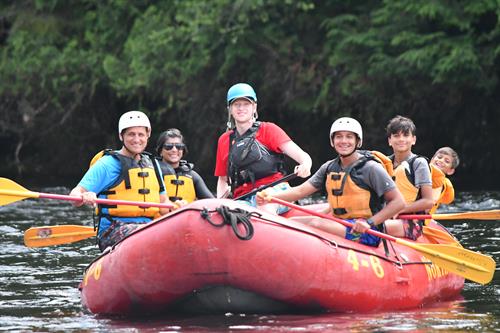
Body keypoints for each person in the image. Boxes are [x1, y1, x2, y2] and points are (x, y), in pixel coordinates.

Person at [258, 117, 405, 247]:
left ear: (357, 141)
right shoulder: (329, 167)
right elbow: (300, 191)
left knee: (315, 223)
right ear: (332, 141)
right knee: (292, 222)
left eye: (349, 137)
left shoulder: (371, 168)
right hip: (341, 223)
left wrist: (369, 222)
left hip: (368, 231)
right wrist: (270, 198)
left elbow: (399, 202)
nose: (344, 141)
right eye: (339, 137)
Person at [70, 111, 175, 251]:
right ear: (121, 136)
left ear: (147, 136)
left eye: (141, 134)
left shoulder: (154, 165)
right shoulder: (107, 164)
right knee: (144, 233)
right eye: (131, 134)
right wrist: (84, 196)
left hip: (150, 228)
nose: (137, 139)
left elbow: (163, 204)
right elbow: (74, 195)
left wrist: (177, 209)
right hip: (113, 231)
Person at [214, 82, 312, 213]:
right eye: (236, 104)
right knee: (227, 213)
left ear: (254, 107)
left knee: (264, 203)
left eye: (246, 104)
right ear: (230, 110)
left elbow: (303, 156)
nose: (241, 108)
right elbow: (223, 180)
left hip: (276, 192)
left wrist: (305, 165)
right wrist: (221, 203)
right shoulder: (224, 140)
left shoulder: (269, 130)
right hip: (244, 198)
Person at [385, 115, 434, 239]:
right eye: (396, 136)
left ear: (413, 140)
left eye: (406, 135)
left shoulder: (419, 163)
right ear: (389, 140)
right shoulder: (384, 163)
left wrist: (400, 209)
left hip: (411, 223)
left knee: (368, 226)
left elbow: (428, 201)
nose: (401, 139)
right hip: (386, 217)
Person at [156, 128, 214, 203]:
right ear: (160, 151)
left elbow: (211, 201)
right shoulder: (153, 172)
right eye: (168, 146)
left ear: (183, 151)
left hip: (186, 214)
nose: (174, 150)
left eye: (179, 146)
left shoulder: (193, 176)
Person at [429, 147, 459, 214]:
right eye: (439, 157)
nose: (441, 160)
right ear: (431, 160)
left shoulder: (443, 184)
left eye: (447, 161)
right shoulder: (418, 170)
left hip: (419, 218)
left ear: (450, 171)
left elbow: (430, 202)